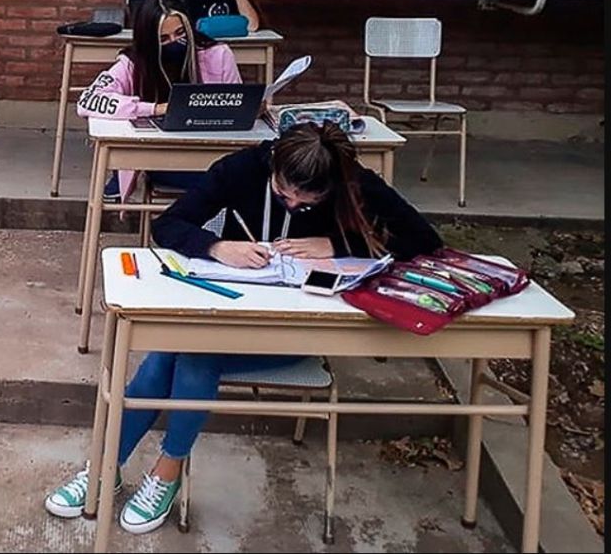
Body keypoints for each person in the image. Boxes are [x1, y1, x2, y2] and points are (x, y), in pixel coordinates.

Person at [44, 121, 443, 535]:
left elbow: (426, 241)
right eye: (284, 194)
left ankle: (143, 469)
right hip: (230, 313)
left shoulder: (351, 180)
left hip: (302, 329)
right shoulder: (242, 169)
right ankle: (121, 469)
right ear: (274, 167)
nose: (292, 206)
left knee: (192, 355)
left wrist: (340, 246)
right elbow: (169, 225)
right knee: (174, 352)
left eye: (307, 202)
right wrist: (217, 247)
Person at [75, 0, 242, 202]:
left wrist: (250, 108)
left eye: (181, 33)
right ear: (148, 41)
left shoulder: (218, 55)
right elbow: (87, 101)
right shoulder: (133, 64)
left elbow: (236, 102)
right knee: (219, 185)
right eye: (163, 38)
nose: (174, 42)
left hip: (214, 153)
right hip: (163, 158)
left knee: (233, 178)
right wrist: (154, 109)